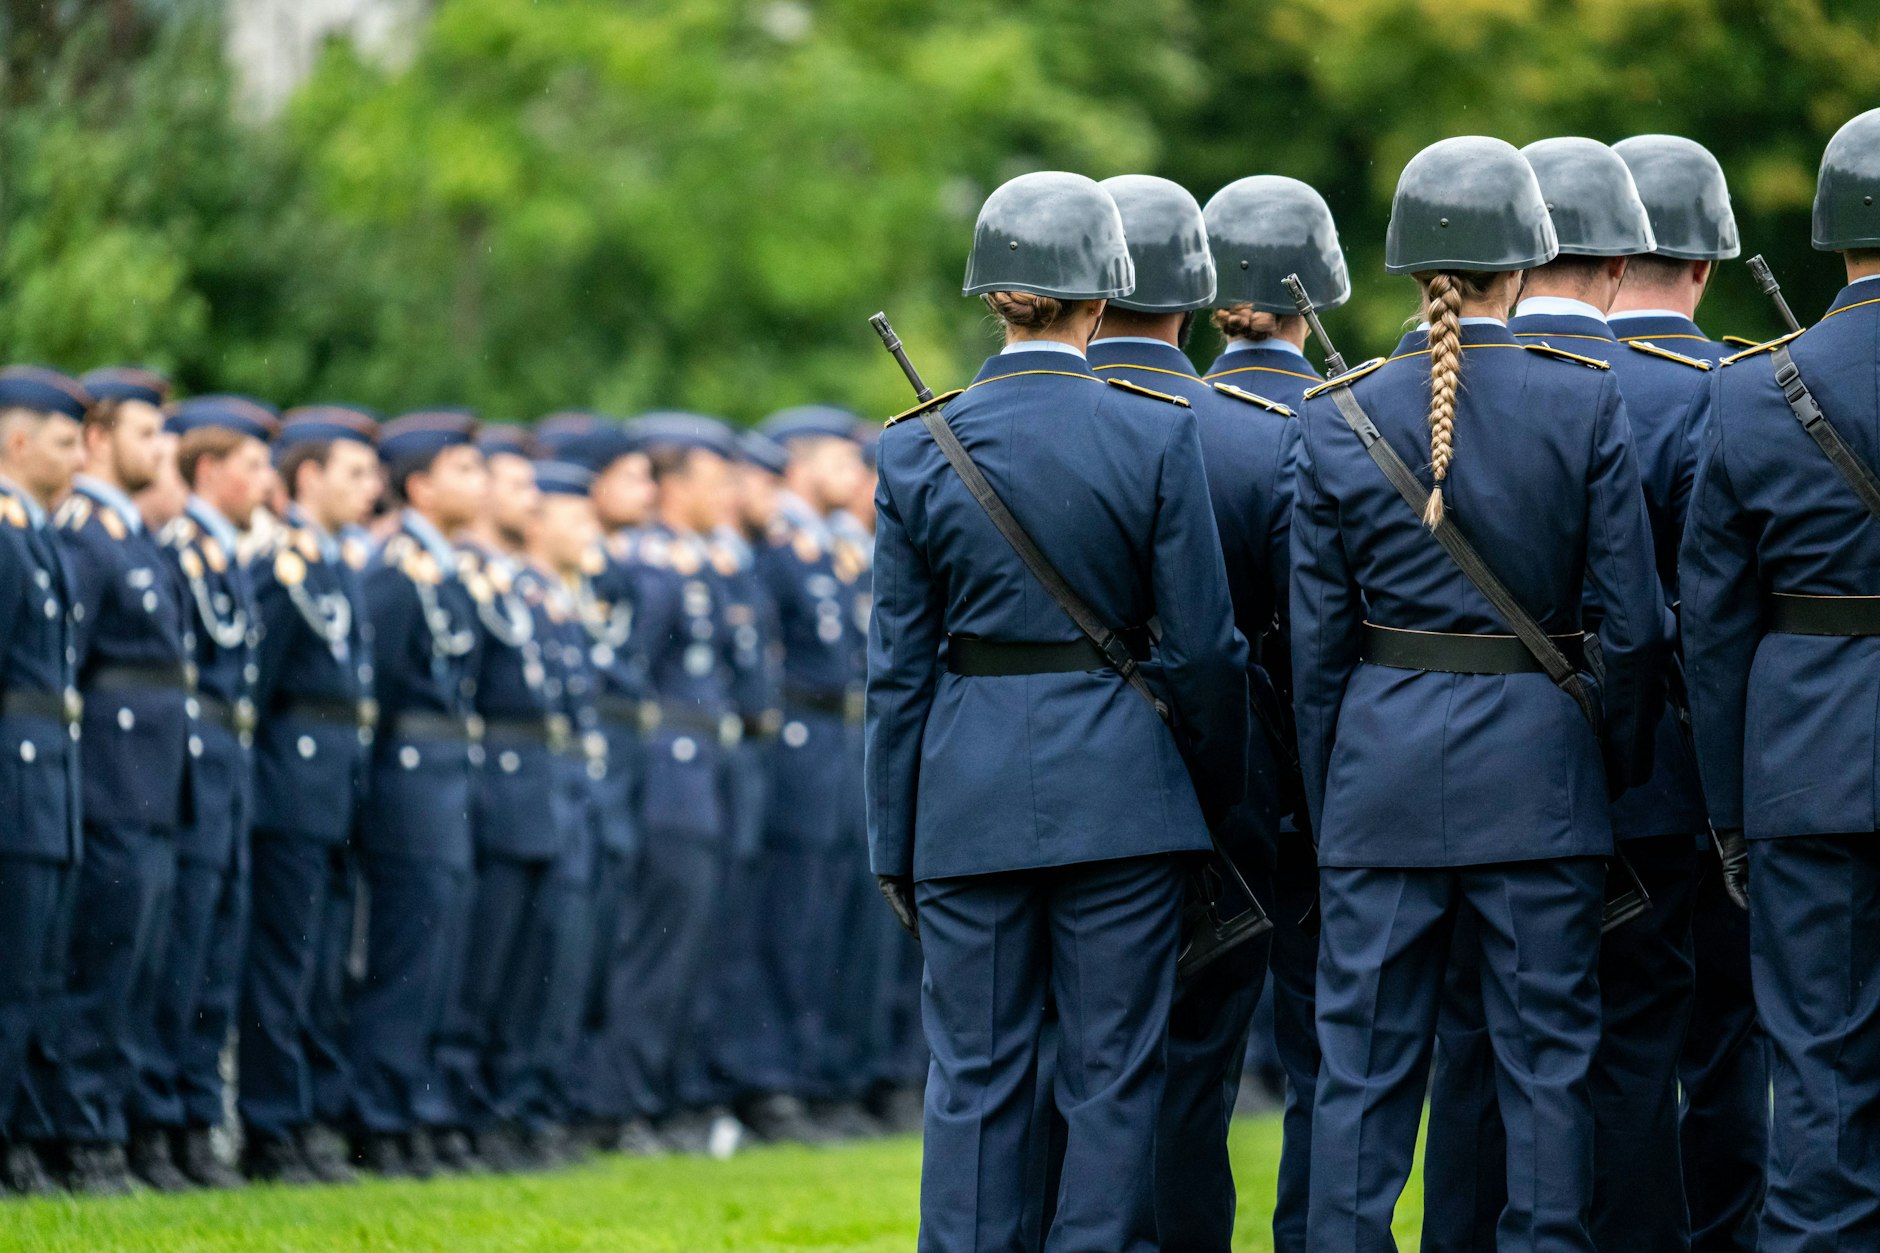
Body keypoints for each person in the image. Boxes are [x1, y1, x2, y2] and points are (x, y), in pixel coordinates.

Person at [1290, 136, 1664, 1251]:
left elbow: (1316, 651)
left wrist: (1335, 790)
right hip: (1540, 773)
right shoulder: (1584, 403)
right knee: (1545, 1065)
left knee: (1359, 1072)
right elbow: (1633, 625)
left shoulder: (1333, 413)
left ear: (1408, 267)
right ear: (1525, 263)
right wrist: (1603, 759)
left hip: (1378, 774)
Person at [866, 170, 1248, 1252]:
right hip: (1126, 796)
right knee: (1111, 1075)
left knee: (974, 1074)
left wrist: (894, 840)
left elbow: (897, 672)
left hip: (965, 797)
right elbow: (1204, 650)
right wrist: (1206, 799)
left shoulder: (916, 446)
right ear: (1101, 295)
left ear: (994, 297)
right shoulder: (1151, 432)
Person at [1419, 136, 1700, 1253]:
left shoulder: (1428, 385)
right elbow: (1675, 620)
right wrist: (1630, 755)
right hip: (1639, 773)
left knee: (1475, 1046)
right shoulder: (1700, 390)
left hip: (1461, 775)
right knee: (1637, 1047)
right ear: (1629, 256)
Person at [1085, 171, 1298, 1253]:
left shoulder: (1014, 423)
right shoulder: (1259, 433)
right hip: (1231, 781)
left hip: (1059, 785)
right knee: (1195, 1064)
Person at [1682, 105, 1880, 1253]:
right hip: (1807, 764)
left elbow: (1712, 631)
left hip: (1805, 764)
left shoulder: (1752, 390)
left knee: (1815, 1067)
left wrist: (1729, 809)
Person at [1613, 132, 1768, 1253]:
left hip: (1568, 768)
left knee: (1599, 1039)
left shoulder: (1488, 382)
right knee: (1726, 1038)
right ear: (1705, 267)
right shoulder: (1740, 387)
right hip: (1718, 759)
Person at [1197, 171, 1347, 1253]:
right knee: (1333, 1048)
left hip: (1197, 775)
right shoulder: (1347, 417)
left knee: (1178, 1049)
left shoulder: (1162, 418)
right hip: (1331, 773)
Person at [23, 369, 193, 1196]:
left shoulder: (132, 538)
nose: (163, 451)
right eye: (145, 433)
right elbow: (63, 668)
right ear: (97, 440)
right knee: (93, 962)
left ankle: (102, 1125)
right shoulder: (87, 536)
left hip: (149, 782)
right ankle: (73, 1128)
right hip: (107, 780)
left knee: (135, 963)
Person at [126, 395, 278, 1192]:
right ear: (209, 470)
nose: (267, 479)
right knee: (179, 946)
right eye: (251, 463)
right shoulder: (184, 548)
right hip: (193, 754)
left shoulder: (227, 555)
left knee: (214, 952)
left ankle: (188, 1117)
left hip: (231, 759)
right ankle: (158, 1122)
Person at [237, 405, 379, 1184]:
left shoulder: (331, 562)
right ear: (309, 476)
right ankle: (271, 1123)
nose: (372, 487)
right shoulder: (282, 562)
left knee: (322, 961)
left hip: (334, 783)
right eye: (354, 471)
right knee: (284, 960)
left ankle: (306, 1116)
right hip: (292, 785)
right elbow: (253, 689)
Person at [348, 409, 487, 1178]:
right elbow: (377, 691)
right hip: (407, 784)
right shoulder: (395, 570)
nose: (481, 483)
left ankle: (407, 1109)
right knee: (406, 956)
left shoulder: (441, 565)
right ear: (422, 485)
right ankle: (378, 1117)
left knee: (435, 958)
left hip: (443, 781)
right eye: (464, 470)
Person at [436, 425, 573, 1168]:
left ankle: (498, 1109)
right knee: (478, 962)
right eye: (517, 485)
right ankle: (459, 1108)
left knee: (521, 964)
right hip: (490, 788)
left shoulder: (516, 580)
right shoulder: (461, 575)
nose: (533, 500)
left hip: (533, 791)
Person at [604, 413, 743, 1145]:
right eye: (712, 481)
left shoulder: (697, 561)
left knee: (691, 943)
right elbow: (626, 670)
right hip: (667, 768)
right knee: (657, 941)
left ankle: (664, 1093)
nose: (726, 495)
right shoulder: (651, 564)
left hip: (703, 765)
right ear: (673, 487)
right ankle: (628, 1100)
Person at [747, 406, 873, 1143]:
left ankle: (815, 1069)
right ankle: (775, 1078)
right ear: (799, 460)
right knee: (791, 915)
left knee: (830, 913)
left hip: (841, 735)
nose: (855, 475)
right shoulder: (783, 549)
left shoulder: (833, 550)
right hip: (801, 731)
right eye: (838, 459)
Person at [0, 368, 87, 1199]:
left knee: (33, 971)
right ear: (16, 441)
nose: (81, 455)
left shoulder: (35, 530)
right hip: (14, 778)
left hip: (43, 777)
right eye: (66, 439)